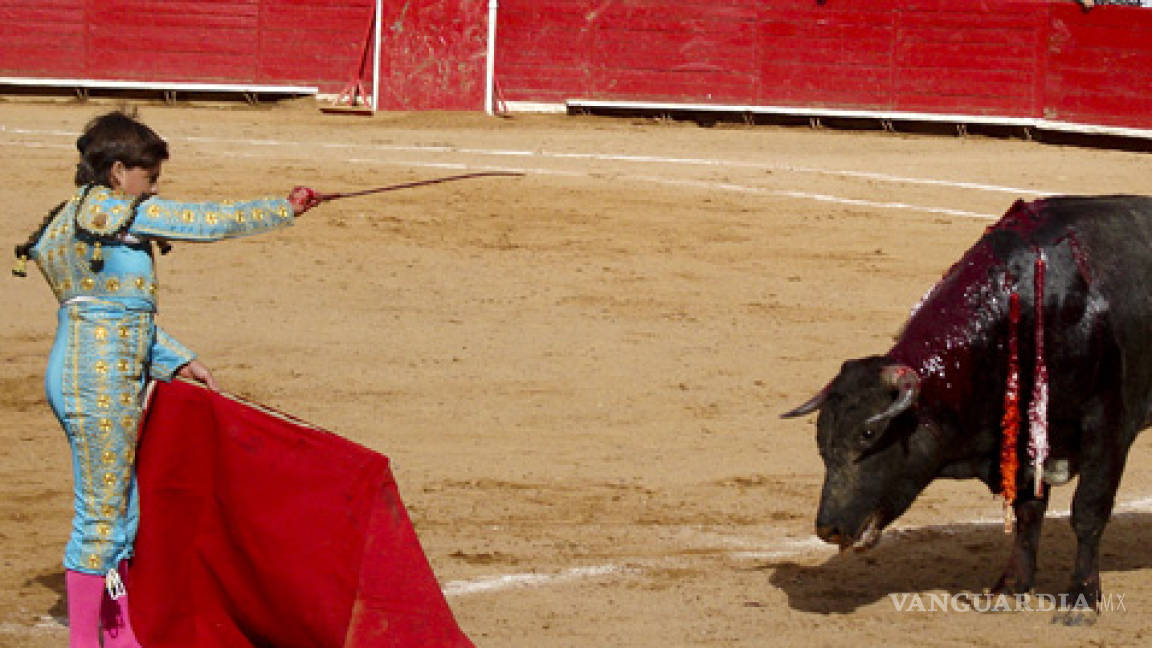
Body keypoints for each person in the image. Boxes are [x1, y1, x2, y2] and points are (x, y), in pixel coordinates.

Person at [10, 110, 320, 648]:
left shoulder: (69, 219)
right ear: (117, 172)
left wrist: (174, 358)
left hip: (93, 364)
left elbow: (111, 309)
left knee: (121, 506)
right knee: (102, 515)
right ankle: (89, 642)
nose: (151, 190)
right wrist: (283, 209)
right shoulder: (107, 209)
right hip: (96, 378)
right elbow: (202, 222)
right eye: (148, 178)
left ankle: (118, 631)